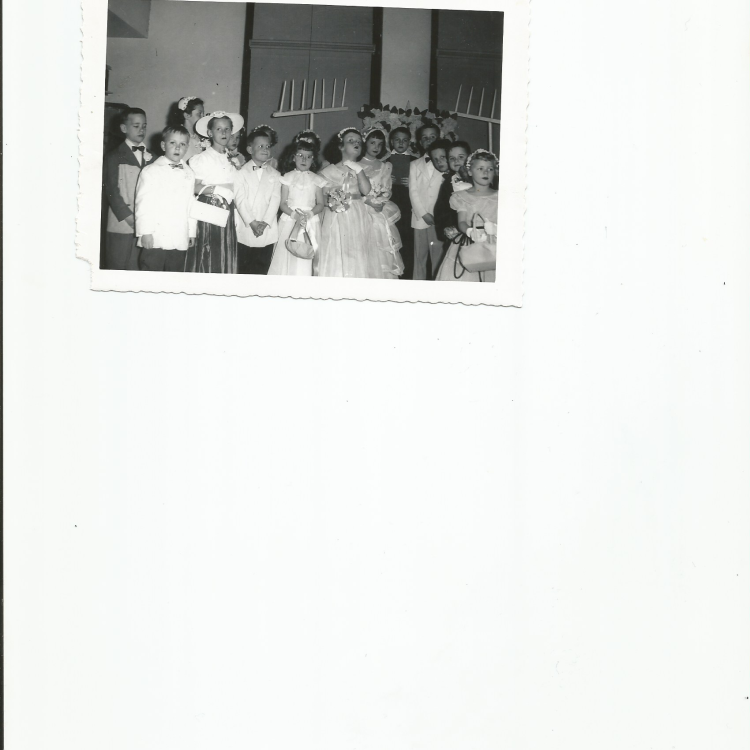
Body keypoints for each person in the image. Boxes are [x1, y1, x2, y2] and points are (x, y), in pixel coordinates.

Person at [185, 110, 244, 274]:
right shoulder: (201, 159)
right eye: (219, 129)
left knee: (227, 252)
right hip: (211, 211)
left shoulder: (233, 158)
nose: (224, 133)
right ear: (210, 133)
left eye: (227, 129)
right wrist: (217, 189)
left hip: (229, 211)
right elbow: (194, 187)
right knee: (211, 254)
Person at [134, 125, 196, 272]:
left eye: (182, 144)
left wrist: (191, 231)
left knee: (175, 273)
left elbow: (191, 204)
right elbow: (143, 204)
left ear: (187, 147)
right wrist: (145, 232)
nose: (177, 148)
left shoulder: (189, 173)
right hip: (156, 236)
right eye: (172, 143)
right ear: (163, 145)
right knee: (151, 270)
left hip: (179, 235)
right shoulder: (151, 171)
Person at [315, 127, 373, 278]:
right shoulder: (328, 171)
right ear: (341, 146)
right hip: (336, 216)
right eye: (351, 141)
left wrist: (358, 170)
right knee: (336, 248)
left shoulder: (361, 169)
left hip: (356, 214)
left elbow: (366, 190)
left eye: (359, 142)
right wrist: (333, 201)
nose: (356, 143)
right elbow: (320, 197)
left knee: (356, 250)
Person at [103, 107, 154, 270]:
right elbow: (112, 192)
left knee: (139, 265)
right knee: (118, 264)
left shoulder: (153, 158)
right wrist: (129, 218)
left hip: (145, 223)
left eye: (144, 126)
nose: (141, 130)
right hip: (122, 223)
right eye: (136, 126)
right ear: (124, 128)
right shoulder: (113, 156)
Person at [436, 149, 498, 283]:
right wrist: (470, 231)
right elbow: (462, 222)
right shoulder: (463, 197)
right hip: (471, 243)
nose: (486, 172)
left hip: (495, 245)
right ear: (470, 171)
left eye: (490, 169)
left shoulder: (500, 196)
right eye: (480, 168)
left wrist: (496, 229)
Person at [268, 136, 326, 276]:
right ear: (293, 158)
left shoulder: (316, 179)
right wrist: (295, 216)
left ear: (313, 160)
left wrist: (309, 214)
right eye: (300, 156)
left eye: (308, 156)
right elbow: (282, 203)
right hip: (291, 218)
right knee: (287, 253)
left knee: (307, 252)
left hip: (310, 219)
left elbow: (320, 204)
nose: (304, 160)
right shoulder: (287, 177)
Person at [233, 124, 281, 275]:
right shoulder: (240, 173)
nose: (265, 149)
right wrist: (253, 223)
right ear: (249, 150)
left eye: (268, 146)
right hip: (246, 227)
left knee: (262, 269)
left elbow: (275, 200)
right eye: (260, 146)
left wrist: (265, 223)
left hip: (267, 228)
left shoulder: (275, 174)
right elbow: (240, 200)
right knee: (243, 269)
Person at [359, 128, 403, 279]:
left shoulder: (385, 166)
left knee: (382, 248)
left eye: (379, 143)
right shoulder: (355, 164)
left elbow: (387, 188)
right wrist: (368, 200)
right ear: (365, 143)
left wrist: (382, 198)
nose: (376, 147)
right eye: (372, 143)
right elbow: (352, 190)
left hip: (379, 209)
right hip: (362, 208)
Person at [409, 123, 443, 280]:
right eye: (425, 138)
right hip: (420, 217)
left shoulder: (445, 163)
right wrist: (423, 213)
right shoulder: (414, 165)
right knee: (419, 257)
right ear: (420, 142)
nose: (429, 140)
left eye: (432, 137)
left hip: (440, 218)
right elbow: (413, 191)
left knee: (439, 256)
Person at [427, 138, 463, 278]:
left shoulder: (463, 178)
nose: (439, 162)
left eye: (443, 157)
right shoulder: (448, 180)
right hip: (453, 232)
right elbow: (441, 209)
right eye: (435, 159)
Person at [383, 126, 415, 279]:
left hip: (410, 206)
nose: (401, 143)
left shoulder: (415, 161)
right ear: (391, 142)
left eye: (405, 140)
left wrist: (413, 183)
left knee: (408, 241)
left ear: (410, 141)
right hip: (390, 204)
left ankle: (407, 276)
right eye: (397, 140)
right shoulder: (385, 162)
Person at [170, 96, 207, 161]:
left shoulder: (202, 137)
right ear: (186, 115)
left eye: (203, 114)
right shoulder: (178, 137)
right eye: (199, 114)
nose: (203, 117)